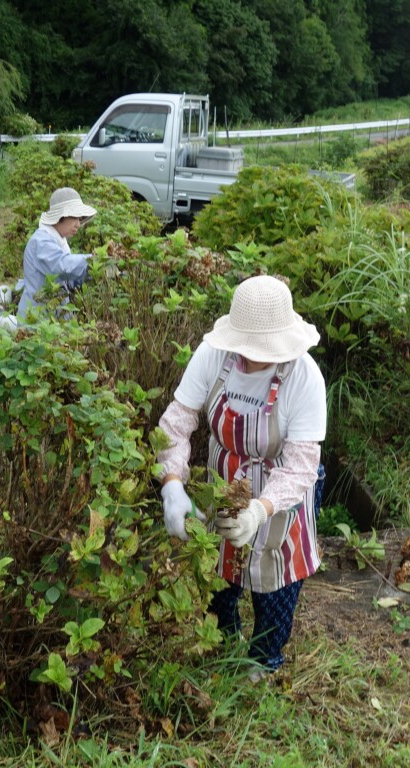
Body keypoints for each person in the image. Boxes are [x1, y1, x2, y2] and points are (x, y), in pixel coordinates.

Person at [156, 274, 327, 680]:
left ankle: (263, 662)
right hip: (224, 486)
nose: (249, 359)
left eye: (261, 351)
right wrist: (172, 484)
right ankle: (223, 644)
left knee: (276, 591)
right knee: (221, 581)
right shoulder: (214, 356)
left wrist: (259, 510)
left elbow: (301, 465)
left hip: (281, 498)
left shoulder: (304, 377)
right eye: (245, 349)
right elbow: (175, 425)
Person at [16, 187, 97, 321]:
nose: (78, 224)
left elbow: (69, 279)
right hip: (36, 321)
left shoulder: (59, 241)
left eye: (80, 218)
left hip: (53, 317)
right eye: (74, 217)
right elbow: (62, 266)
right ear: (59, 217)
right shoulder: (41, 242)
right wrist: (96, 261)